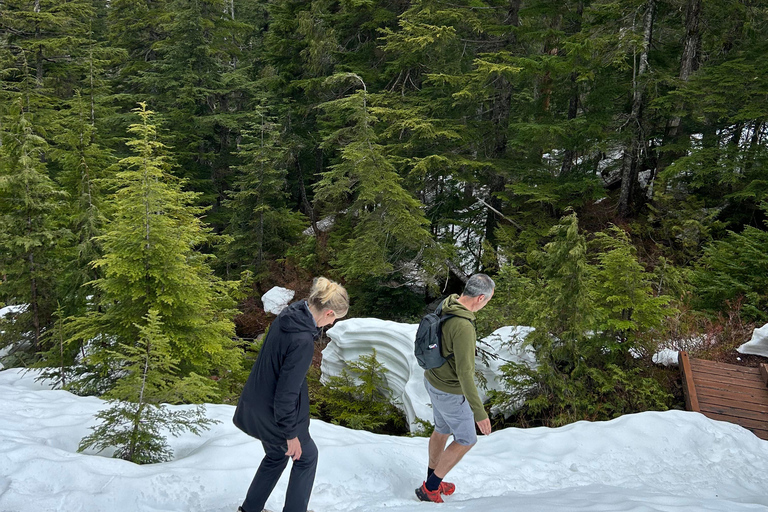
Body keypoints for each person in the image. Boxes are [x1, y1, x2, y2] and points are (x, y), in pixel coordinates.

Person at [234, 277, 349, 512]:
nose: (333, 324)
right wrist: (291, 434)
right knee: (306, 457)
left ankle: (250, 509)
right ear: (328, 313)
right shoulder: (302, 340)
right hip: (274, 413)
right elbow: (286, 393)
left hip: (256, 402)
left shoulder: (290, 315)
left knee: (276, 456)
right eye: (335, 319)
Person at [416, 273, 495, 503]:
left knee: (441, 430)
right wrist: (479, 413)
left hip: (432, 380)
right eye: (487, 300)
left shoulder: (448, 303)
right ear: (480, 298)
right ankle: (429, 489)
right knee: (466, 439)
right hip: (450, 391)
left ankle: (434, 479)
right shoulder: (463, 326)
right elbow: (465, 374)